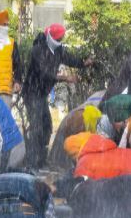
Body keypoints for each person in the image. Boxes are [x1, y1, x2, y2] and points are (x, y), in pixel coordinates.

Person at [22, 24, 91, 169]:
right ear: (51, 37)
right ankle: (31, 162)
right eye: (59, 38)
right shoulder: (38, 50)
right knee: (37, 127)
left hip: (41, 94)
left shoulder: (58, 50)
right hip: (31, 93)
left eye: (62, 38)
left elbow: (70, 59)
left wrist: (84, 63)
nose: (61, 40)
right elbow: (44, 72)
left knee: (47, 127)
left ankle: (41, 159)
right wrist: (66, 78)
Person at [0, 10, 22, 108]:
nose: (6, 28)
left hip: (5, 91)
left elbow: (17, 64)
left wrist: (18, 81)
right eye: (3, 25)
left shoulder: (11, 43)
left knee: (4, 121)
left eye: (7, 25)